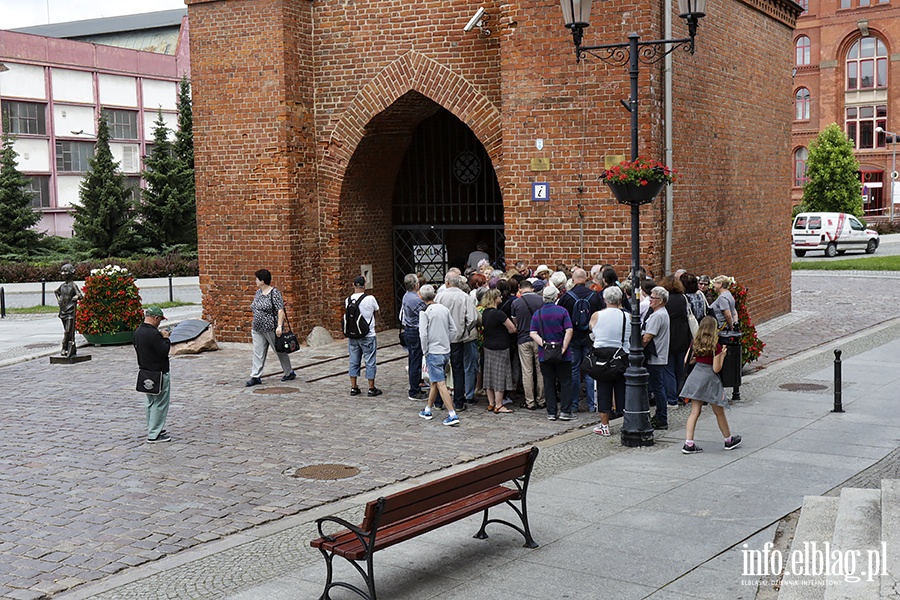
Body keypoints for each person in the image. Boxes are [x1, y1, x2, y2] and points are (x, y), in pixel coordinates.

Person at [681, 317, 742, 454]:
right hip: (709, 379)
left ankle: (688, 443)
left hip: (696, 376)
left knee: (694, 412)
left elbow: (687, 361)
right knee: (719, 411)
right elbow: (716, 368)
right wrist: (723, 355)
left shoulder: (694, 343)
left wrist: (698, 358)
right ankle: (728, 440)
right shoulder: (716, 346)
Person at [557, 268, 604, 413]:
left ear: (572, 278)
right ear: (586, 277)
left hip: (573, 337)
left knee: (574, 370)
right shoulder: (594, 296)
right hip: (589, 336)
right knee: (590, 370)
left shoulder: (567, 297)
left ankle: (574, 404)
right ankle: (592, 405)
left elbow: (560, 316)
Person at [530, 284, 575, 421]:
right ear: (555, 297)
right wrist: (563, 347)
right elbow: (569, 330)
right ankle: (565, 411)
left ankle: (551, 412)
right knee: (565, 381)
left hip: (546, 354)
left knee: (548, 382)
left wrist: (544, 343)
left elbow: (532, 333)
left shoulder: (537, 314)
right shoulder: (562, 311)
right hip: (563, 353)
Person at [417, 285, 460, 426]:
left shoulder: (425, 312)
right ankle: (428, 409)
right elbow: (453, 329)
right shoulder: (443, 309)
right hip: (445, 350)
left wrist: (425, 350)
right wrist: (447, 341)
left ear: (421, 297)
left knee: (440, 383)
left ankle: (452, 414)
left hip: (433, 351)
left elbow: (423, 334)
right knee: (435, 381)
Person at [590, 286, 629, 437]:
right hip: (621, 356)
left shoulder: (597, 315)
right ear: (620, 299)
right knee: (622, 389)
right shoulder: (627, 317)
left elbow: (592, 330)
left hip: (601, 357)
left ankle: (604, 425)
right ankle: (626, 422)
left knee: (603, 390)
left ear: (605, 299)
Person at [436, 273, 478, 411]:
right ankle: (459, 402)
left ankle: (438, 401)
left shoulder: (440, 296)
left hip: (442, 338)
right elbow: (472, 318)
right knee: (458, 369)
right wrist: (465, 330)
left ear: (447, 282)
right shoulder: (465, 297)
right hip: (458, 338)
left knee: (440, 369)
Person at [246, 269, 295, 387]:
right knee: (258, 352)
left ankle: (289, 372)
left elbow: (280, 310)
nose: (255, 281)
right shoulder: (258, 293)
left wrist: (279, 326)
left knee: (279, 350)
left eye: (257, 279)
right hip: (257, 328)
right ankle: (255, 376)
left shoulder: (274, 293)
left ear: (262, 281)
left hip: (271, 328)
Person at [134, 306, 173, 443]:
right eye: (159, 320)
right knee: (160, 403)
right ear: (155, 318)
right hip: (159, 372)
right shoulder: (153, 334)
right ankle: (154, 434)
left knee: (150, 403)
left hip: (145, 372)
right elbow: (163, 351)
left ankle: (153, 427)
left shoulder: (138, 332)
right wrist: (166, 338)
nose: (159, 323)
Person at [643, 286, 674, 430]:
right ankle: (660, 416)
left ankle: (662, 417)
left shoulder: (657, 315)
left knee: (657, 387)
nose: (650, 300)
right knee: (657, 386)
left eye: (653, 298)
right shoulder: (662, 313)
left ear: (660, 300)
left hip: (655, 356)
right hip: (659, 355)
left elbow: (647, 338)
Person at [480, 289, 516, 413]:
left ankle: (491, 403)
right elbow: (512, 329)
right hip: (501, 346)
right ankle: (499, 404)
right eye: (499, 296)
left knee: (489, 374)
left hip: (488, 346)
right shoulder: (499, 314)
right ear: (495, 298)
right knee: (500, 375)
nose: (501, 297)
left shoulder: (485, 312)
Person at [345, 275, 382, 397]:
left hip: (353, 335)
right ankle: (371, 388)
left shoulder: (348, 300)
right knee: (370, 361)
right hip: (368, 334)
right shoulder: (370, 299)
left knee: (353, 361)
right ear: (364, 286)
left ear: (353, 285)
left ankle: (354, 387)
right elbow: (377, 311)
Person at [512, 279, 545, 410]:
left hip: (523, 339)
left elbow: (515, 323)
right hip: (539, 338)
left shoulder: (516, 303)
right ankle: (541, 400)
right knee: (540, 371)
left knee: (527, 372)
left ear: (520, 288)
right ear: (532, 288)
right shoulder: (541, 300)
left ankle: (530, 401)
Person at [660, 275, 692, 402]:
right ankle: (681, 395)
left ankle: (672, 398)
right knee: (680, 368)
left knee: (668, 370)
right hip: (683, 336)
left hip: (669, 337)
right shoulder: (683, 298)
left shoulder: (665, 300)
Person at [401, 273, 427, 401]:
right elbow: (426, 311)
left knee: (413, 360)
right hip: (414, 331)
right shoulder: (414, 299)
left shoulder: (407, 296)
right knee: (415, 361)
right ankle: (414, 390)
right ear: (416, 284)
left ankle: (415, 387)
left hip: (409, 330)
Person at [55, 263, 83, 358]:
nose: (63, 273)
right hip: (63, 311)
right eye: (62, 271)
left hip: (70, 311)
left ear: (71, 273)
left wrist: (76, 296)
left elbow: (80, 295)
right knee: (68, 331)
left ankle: (64, 347)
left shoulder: (73, 285)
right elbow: (56, 292)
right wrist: (59, 300)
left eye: (65, 271)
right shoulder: (62, 286)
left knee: (67, 331)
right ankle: (71, 347)